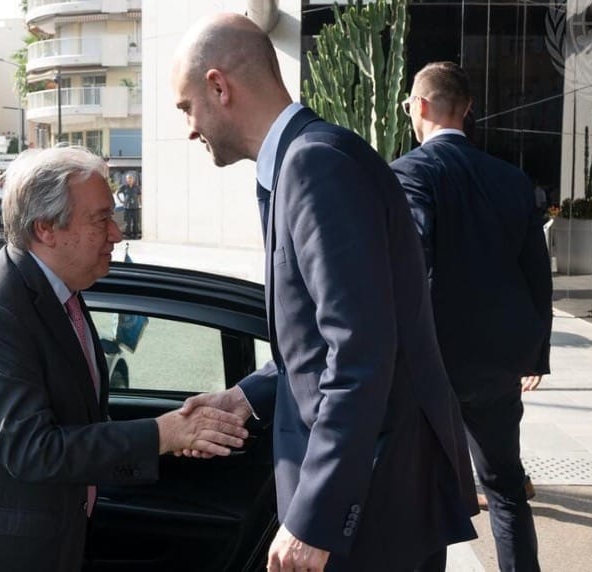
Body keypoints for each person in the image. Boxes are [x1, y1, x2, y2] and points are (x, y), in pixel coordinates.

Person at [171, 15, 477, 572]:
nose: (190, 128)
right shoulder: (305, 159)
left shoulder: (314, 164)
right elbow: (320, 342)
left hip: (373, 501)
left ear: (220, 86)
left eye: (186, 107)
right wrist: (245, 396)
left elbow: (360, 352)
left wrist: (316, 516)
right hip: (378, 487)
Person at [0, 146, 249, 572]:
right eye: (101, 219)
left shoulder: (55, 291)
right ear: (46, 228)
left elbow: (77, 420)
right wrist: (162, 435)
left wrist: (177, 434)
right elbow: (32, 449)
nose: (117, 233)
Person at [390, 61, 552, 572]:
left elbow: (411, 267)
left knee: (423, 494)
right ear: (468, 110)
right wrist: (535, 357)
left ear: (418, 107)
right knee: (505, 489)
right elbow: (536, 277)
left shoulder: (410, 173)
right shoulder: (512, 180)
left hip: (431, 365)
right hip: (497, 365)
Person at [116, 173, 142, 238]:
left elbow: (139, 195)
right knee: (128, 222)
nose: (130, 179)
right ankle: (128, 235)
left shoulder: (136, 187)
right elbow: (117, 193)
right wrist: (121, 201)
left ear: (133, 179)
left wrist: (140, 203)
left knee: (136, 222)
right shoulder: (124, 186)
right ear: (126, 179)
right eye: (128, 178)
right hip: (127, 207)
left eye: (131, 178)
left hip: (135, 207)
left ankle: (135, 235)